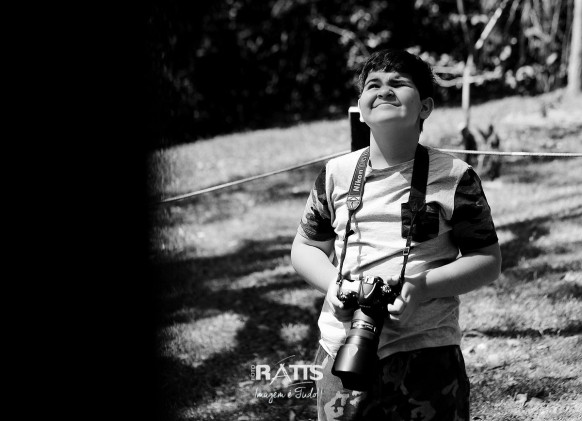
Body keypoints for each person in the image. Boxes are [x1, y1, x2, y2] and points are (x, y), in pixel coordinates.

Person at [290, 49, 501, 421]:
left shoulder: (454, 176)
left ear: (425, 107)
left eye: (398, 83)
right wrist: (333, 286)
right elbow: (305, 248)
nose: (384, 90)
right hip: (342, 349)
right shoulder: (336, 173)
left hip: (428, 352)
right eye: (373, 85)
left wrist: (421, 288)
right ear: (361, 107)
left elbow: (487, 260)